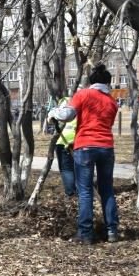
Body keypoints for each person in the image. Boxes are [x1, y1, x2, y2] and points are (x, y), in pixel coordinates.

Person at [49, 65, 120, 244]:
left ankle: (86, 233)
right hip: (106, 148)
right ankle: (112, 231)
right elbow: (104, 125)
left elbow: (67, 114)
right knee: (107, 190)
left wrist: (53, 112)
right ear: (107, 82)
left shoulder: (84, 94)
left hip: (85, 147)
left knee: (85, 191)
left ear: (91, 81)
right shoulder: (112, 102)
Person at [52, 98, 77, 197]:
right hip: (78, 141)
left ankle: (71, 193)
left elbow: (52, 119)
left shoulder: (64, 104)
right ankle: (79, 190)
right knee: (77, 167)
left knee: (66, 169)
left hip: (64, 141)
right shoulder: (80, 105)